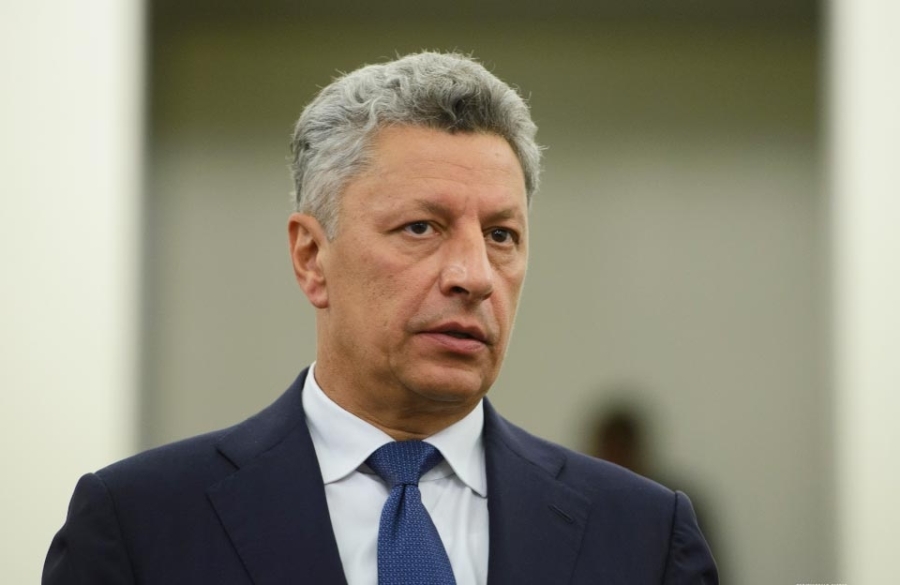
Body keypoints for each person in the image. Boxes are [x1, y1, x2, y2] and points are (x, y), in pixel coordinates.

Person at [43, 51, 718, 584]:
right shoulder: (140, 524)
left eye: (501, 235)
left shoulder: (643, 534)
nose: (475, 275)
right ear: (312, 258)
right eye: (422, 227)